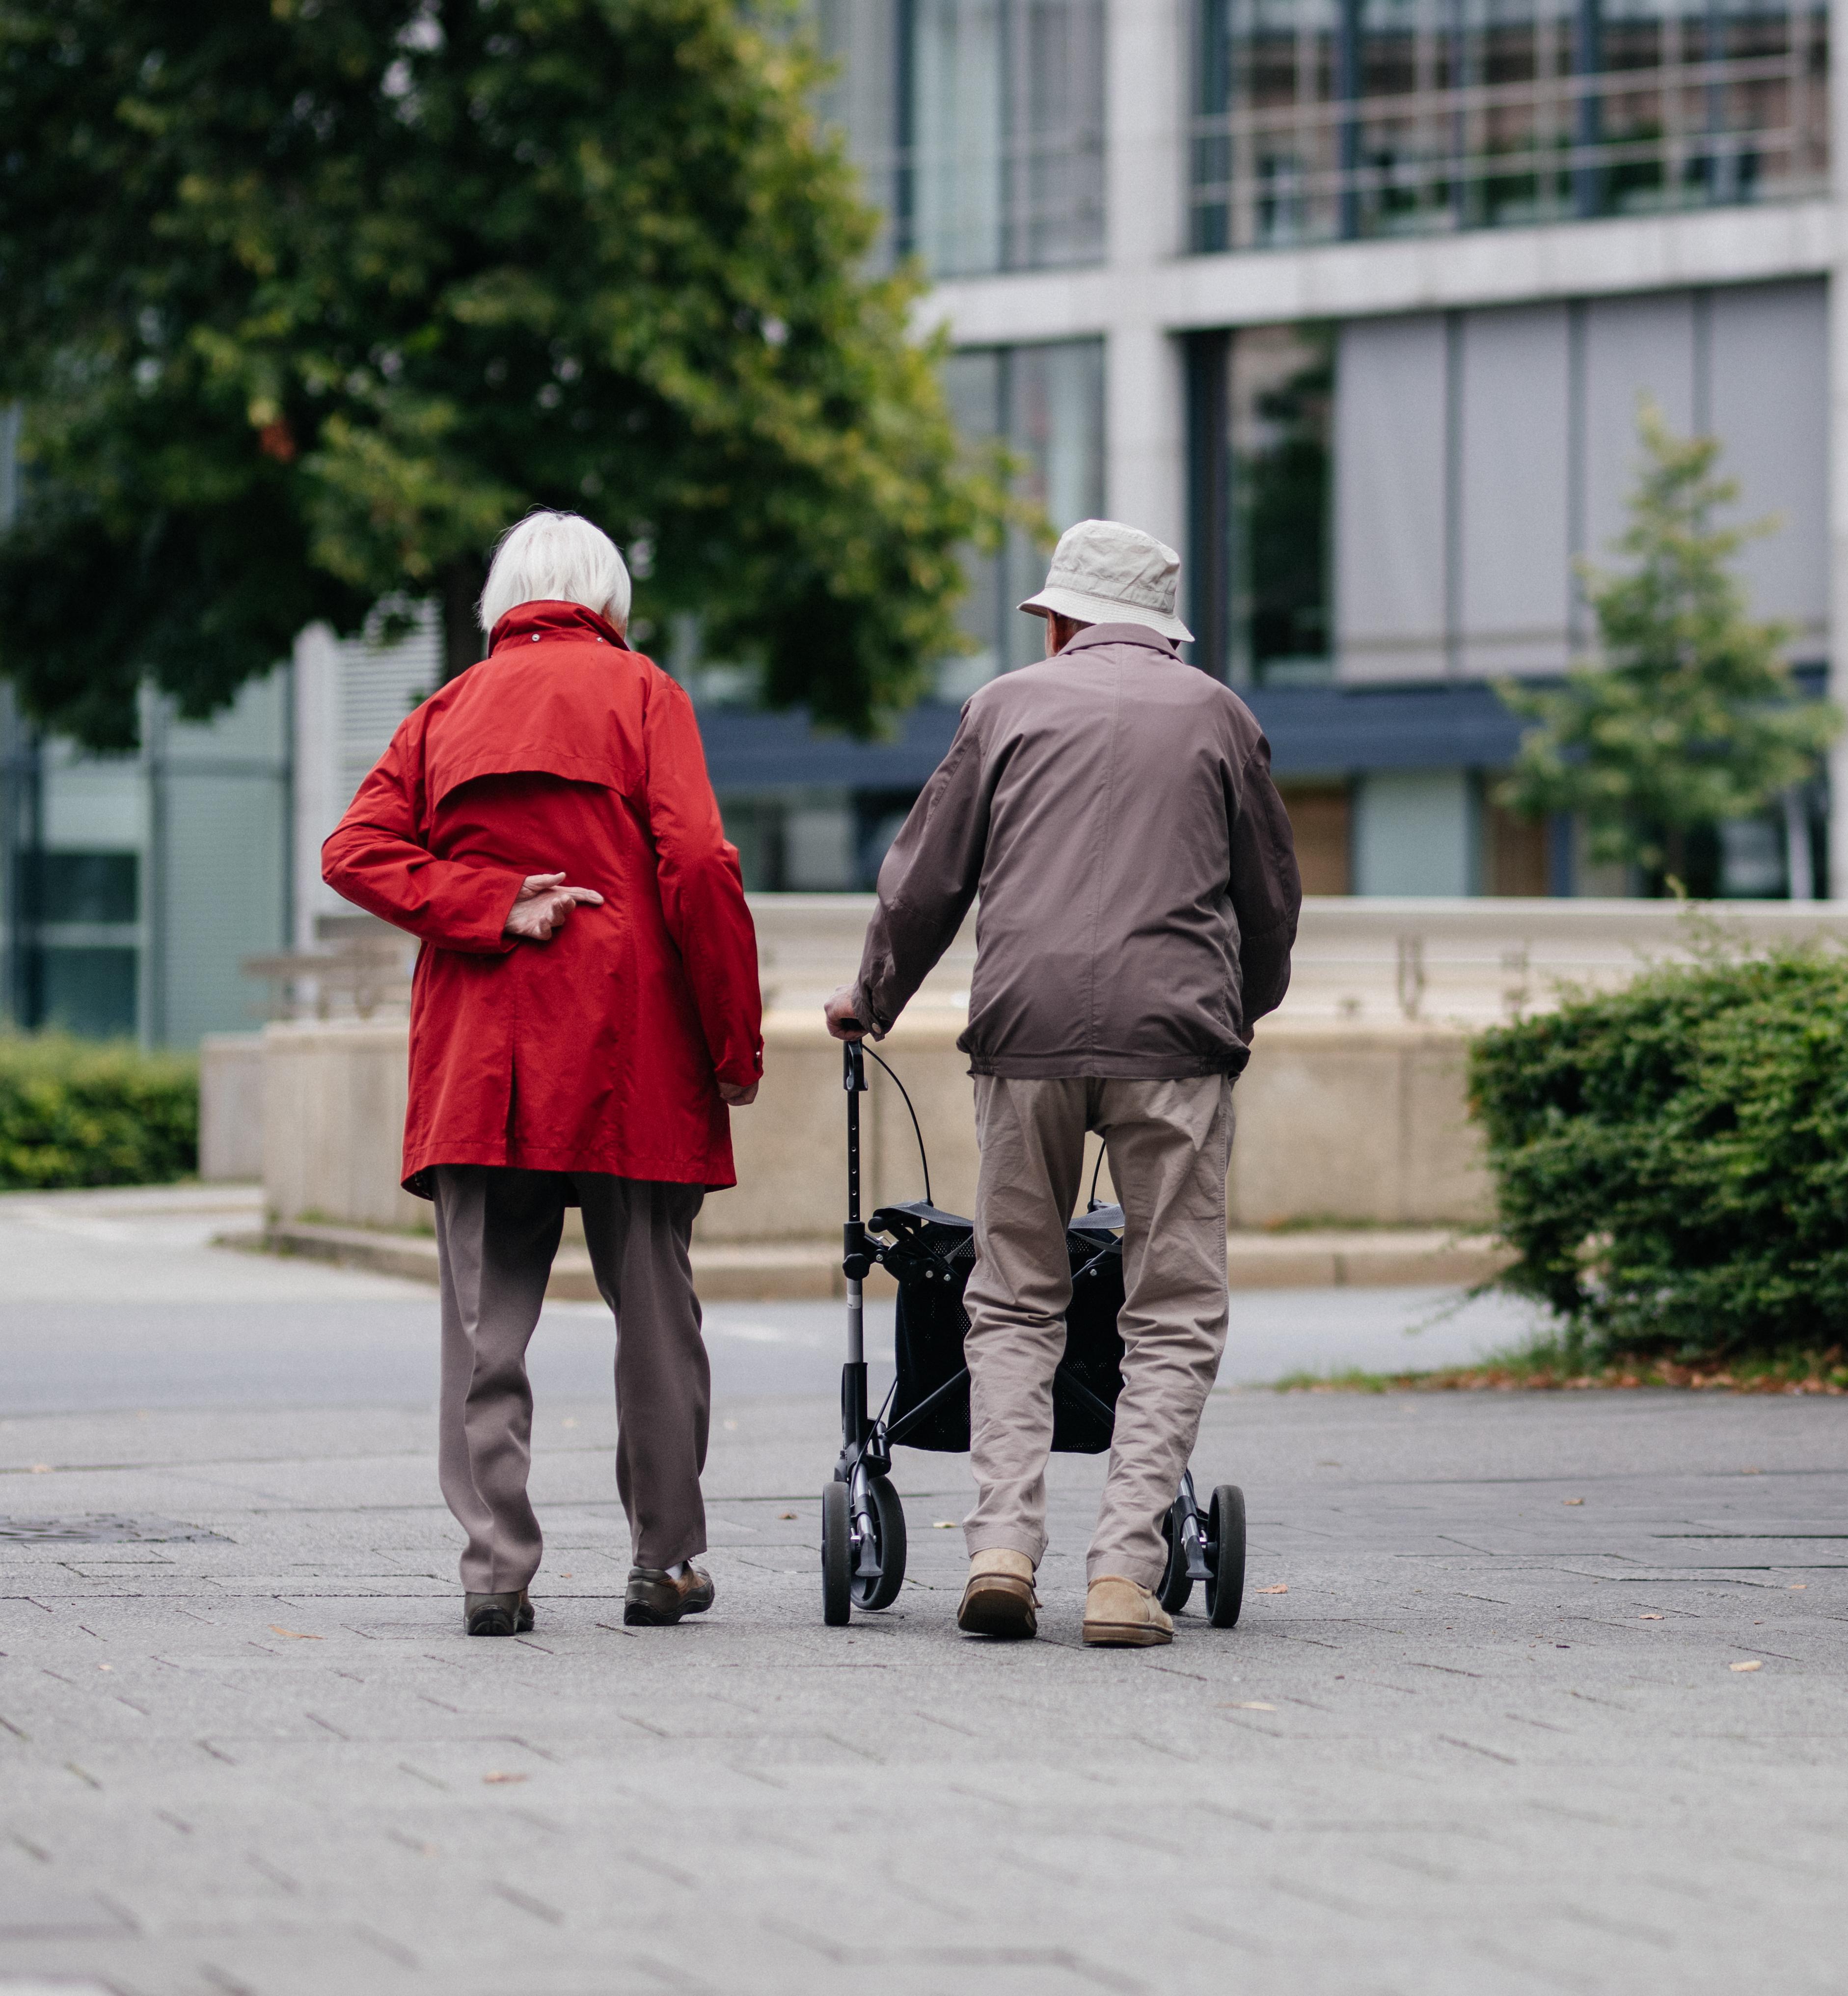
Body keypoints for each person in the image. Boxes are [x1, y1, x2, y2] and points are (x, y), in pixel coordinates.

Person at [826, 518, 1299, 1648]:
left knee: (1014, 1293)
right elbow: (1270, 896)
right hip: (1175, 1035)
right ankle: (1126, 1573)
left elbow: (924, 879)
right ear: (1163, 629)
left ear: (1065, 619)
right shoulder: (1222, 716)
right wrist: (1243, 1005)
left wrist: (871, 998)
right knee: (1171, 1303)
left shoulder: (1003, 707)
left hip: (1025, 1027)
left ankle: (1000, 1546)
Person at [324, 510, 764, 1638]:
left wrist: (489, 902)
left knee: (484, 1324)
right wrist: (733, 1041)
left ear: (499, 603)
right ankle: (662, 1561)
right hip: (633, 1049)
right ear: (610, 601)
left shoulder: (442, 713)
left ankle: (495, 1570)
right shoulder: (644, 694)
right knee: (656, 1312)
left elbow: (355, 852)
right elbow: (703, 863)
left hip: (482, 1052)